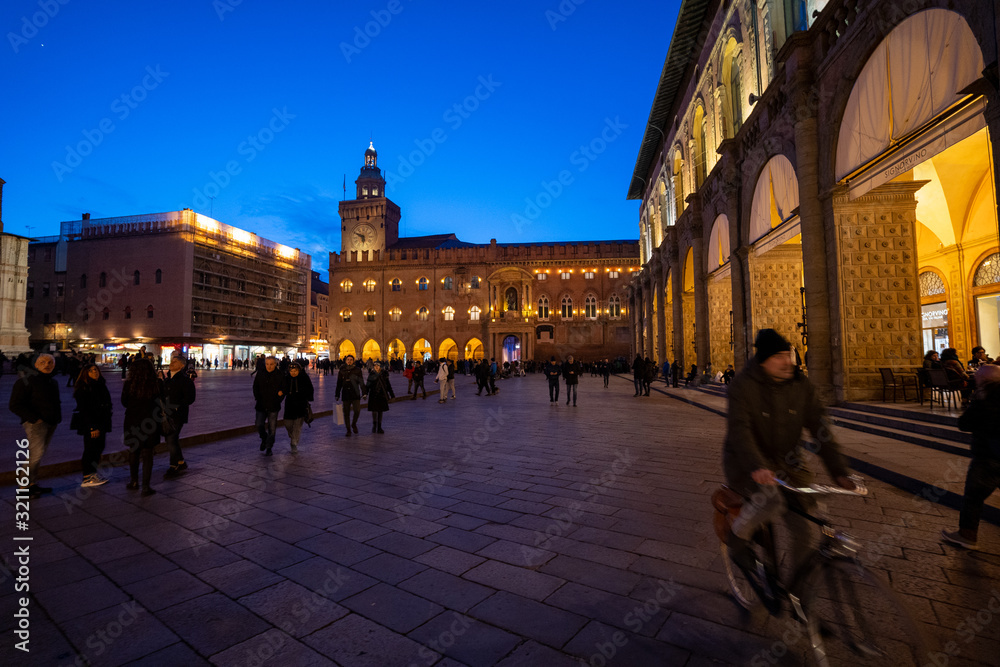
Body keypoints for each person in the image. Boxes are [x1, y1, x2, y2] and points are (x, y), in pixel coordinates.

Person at [723, 329, 855, 580]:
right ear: (763, 361)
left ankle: (799, 596)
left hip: (789, 464)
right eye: (779, 357)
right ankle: (737, 539)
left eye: (789, 355)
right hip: (746, 463)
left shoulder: (800, 385)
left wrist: (839, 471)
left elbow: (820, 427)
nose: (788, 362)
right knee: (772, 500)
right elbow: (740, 432)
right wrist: (757, 466)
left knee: (805, 527)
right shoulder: (743, 386)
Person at [941, 364, 1000, 550]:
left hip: (988, 455)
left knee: (973, 497)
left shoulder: (984, 396)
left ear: (982, 380)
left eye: (977, 378)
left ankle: (967, 534)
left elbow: (965, 423)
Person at [9, 354, 61, 497]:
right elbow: (14, 405)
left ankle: (32, 484)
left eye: (50, 362)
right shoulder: (26, 381)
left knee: (39, 454)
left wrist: (57, 418)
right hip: (36, 424)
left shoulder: (52, 382)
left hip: (50, 422)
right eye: (43, 362)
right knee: (34, 455)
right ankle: (24, 486)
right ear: (36, 365)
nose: (47, 364)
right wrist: (34, 419)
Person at [121, 358, 162, 496]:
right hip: (150, 422)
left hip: (132, 420)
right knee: (148, 454)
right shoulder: (155, 384)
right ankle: (146, 486)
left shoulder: (129, 384)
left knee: (134, 451)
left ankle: (133, 481)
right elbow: (161, 402)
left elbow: (124, 402)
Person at [72, 363, 112, 487]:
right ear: (85, 373)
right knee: (90, 449)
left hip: (102, 422)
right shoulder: (83, 388)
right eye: (90, 371)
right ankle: (87, 476)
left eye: (96, 370)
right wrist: (92, 427)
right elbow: (85, 410)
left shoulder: (100, 385)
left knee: (99, 447)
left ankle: (93, 473)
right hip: (91, 424)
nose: (94, 372)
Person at [162, 355, 196, 478]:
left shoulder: (185, 380)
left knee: (171, 439)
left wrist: (176, 406)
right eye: (172, 361)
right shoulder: (167, 378)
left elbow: (190, 398)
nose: (171, 363)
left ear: (181, 366)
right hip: (166, 414)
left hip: (177, 415)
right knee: (171, 439)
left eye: (175, 362)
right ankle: (180, 461)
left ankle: (173, 466)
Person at [252, 356, 284, 455]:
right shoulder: (260, 373)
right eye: (267, 364)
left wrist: (279, 397)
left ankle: (269, 447)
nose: (269, 366)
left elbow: (284, 389)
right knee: (259, 424)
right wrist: (257, 397)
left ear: (275, 364)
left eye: (271, 364)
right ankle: (264, 439)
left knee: (272, 428)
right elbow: (255, 387)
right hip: (261, 404)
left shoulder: (280, 375)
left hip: (273, 405)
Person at [282, 361, 314, 453]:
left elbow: (310, 388)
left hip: (301, 405)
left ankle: (294, 443)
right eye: (291, 371)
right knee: (287, 423)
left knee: (297, 425)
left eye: (295, 371)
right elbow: (282, 388)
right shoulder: (286, 378)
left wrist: (308, 398)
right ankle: (293, 437)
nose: (293, 373)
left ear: (299, 370)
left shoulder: (304, 378)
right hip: (289, 404)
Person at [336, 354, 366, 435]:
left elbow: (361, 382)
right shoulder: (342, 370)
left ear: (353, 361)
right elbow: (339, 383)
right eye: (348, 359)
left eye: (351, 360)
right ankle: (348, 429)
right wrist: (337, 394)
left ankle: (353, 423)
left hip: (355, 393)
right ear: (346, 361)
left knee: (357, 410)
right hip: (346, 394)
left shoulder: (357, 370)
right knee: (346, 413)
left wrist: (364, 392)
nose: (349, 361)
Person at [366, 360, 394, 433]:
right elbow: (367, 385)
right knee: (374, 411)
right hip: (373, 395)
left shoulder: (384, 374)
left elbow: (388, 385)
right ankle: (374, 425)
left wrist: (392, 394)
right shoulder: (371, 375)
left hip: (382, 395)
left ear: (380, 367)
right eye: (375, 366)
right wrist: (365, 393)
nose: (376, 367)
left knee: (380, 411)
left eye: (378, 366)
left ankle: (379, 427)